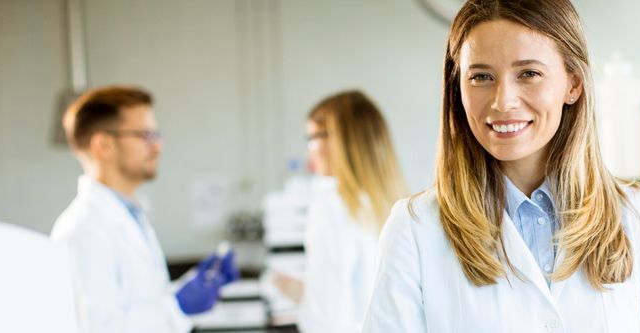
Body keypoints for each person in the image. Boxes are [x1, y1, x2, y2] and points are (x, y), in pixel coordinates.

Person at [363, 0, 640, 332]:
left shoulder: (637, 219)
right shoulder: (415, 230)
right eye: (481, 76)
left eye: (528, 73)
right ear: (457, 89)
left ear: (573, 83)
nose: (503, 100)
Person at [51, 86, 239, 333]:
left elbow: (140, 302)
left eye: (157, 135)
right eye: (146, 135)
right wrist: (178, 307)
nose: (158, 146)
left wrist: (190, 287)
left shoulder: (129, 216)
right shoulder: (84, 229)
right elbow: (99, 328)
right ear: (103, 145)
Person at [272, 90, 408, 333]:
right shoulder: (395, 204)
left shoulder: (333, 206)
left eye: (312, 139)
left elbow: (324, 317)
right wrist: (303, 290)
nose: (309, 152)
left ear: (340, 140)